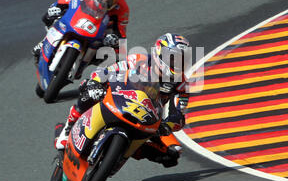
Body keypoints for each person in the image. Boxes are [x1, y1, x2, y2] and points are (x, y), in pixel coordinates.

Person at [55, 33, 191, 168]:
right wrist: (95, 82)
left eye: (182, 60)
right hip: (117, 98)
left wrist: (167, 126)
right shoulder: (138, 59)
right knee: (88, 91)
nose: (177, 63)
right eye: (173, 58)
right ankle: (68, 128)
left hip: (147, 118)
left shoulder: (181, 84)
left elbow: (178, 114)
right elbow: (108, 71)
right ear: (159, 52)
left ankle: (123, 153)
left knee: (172, 154)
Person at [32, 0, 129, 61]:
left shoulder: (122, 8)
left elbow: (121, 34)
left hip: (99, 35)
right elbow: (63, 2)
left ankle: (96, 74)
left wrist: (114, 41)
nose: (106, 0)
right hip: (76, 23)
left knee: (119, 57)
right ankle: (45, 41)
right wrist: (55, 8)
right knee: (48, 17)